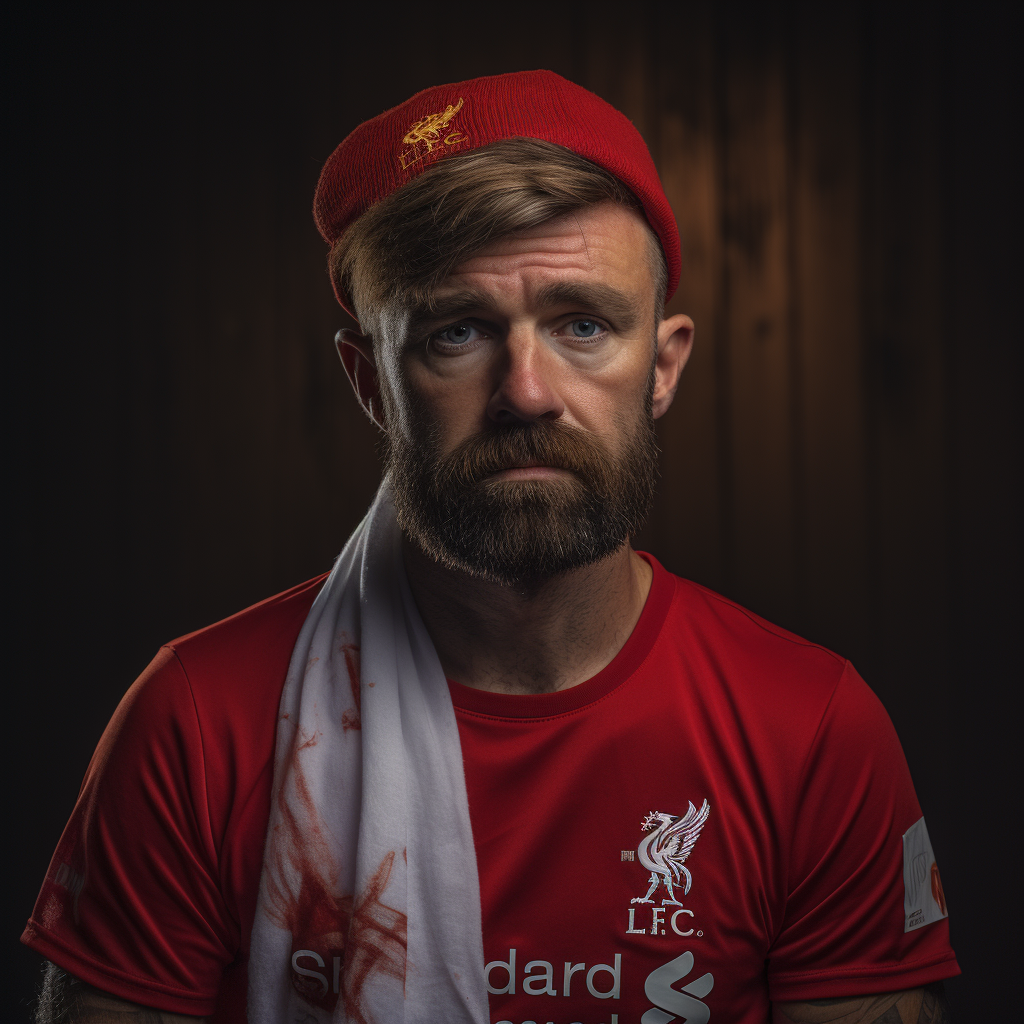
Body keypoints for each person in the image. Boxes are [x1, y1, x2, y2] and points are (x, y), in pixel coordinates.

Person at [24, 71, 959, 1024]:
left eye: (583, 325)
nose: (527, 392)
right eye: (457, 333)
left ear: (664, 365)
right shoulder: (198, 722)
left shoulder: (810, 730)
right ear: (371, 383)